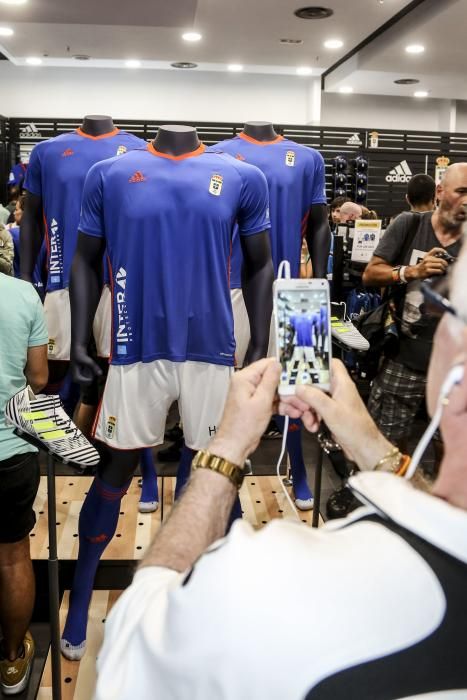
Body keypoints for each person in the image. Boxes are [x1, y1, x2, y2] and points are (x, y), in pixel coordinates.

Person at [94, 228, 467, 698]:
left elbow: (131, 655)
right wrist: (374, 448)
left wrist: (225, 451)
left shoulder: (276, 582)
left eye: (443, 302)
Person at [363, 163, 466, 451]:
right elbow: (371, 274)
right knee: (388, 446)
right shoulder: (410, 225)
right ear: (440, 192)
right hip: (405, 356)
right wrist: (412, 272)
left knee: (452, 449)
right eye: (461, 192)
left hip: (456, 365)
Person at [0, 273, 48, 695]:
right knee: (13, 557)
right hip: (10, 452)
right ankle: (13, 662)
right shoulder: (22, 295)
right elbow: (37, 377)